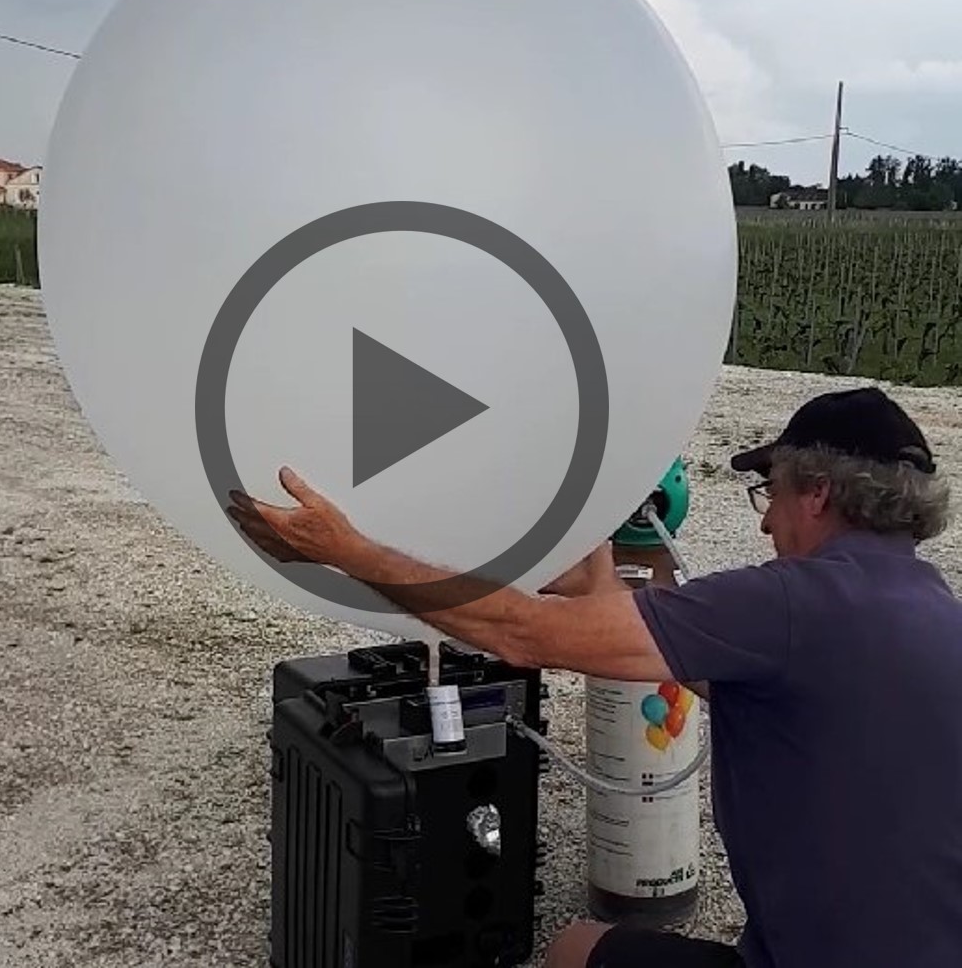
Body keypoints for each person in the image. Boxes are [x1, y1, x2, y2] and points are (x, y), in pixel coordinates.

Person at [227, 386, 961, 968]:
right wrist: (594, 582)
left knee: (572, 950)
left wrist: (348, 550)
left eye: (770, 491)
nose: (766, 524)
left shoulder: (787, 602)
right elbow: (704, 666)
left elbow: (520, 632)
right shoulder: (932, 610)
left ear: (820, 494)